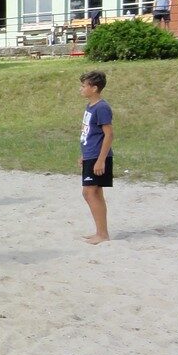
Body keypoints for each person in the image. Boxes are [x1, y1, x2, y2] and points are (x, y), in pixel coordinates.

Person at [79, 70, 114, 245]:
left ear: (94, 88)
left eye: (84, 86)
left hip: (98, 156)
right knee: (94, 193)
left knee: (89, 193)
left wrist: (101, 160)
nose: (81, 89)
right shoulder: (90, 106)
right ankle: (101, 232)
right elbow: (89, 134)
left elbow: (109, 135)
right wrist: (83, 155)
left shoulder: (102, 108)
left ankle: (102, 234)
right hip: (90, 155)